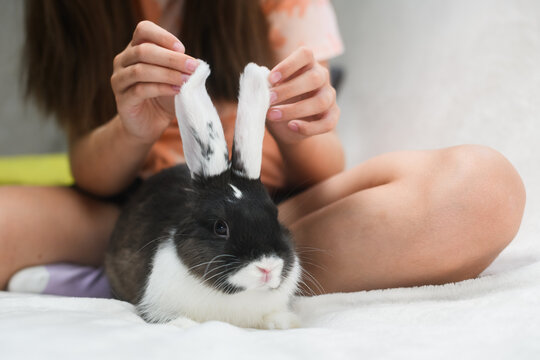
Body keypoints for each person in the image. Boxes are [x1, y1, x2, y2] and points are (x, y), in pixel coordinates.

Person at [0, 0, 526, 297]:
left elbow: (324, 167)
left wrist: (297, 129)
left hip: (270, 212)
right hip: (132, 211)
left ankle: (188, 276)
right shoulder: (68, 12)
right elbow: (90, 174)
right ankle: (170, 271)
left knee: (482, 189)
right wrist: (131, 129)